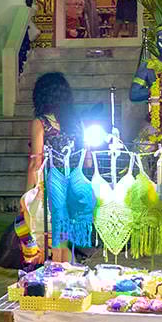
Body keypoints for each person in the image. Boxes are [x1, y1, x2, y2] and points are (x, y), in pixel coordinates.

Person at [27, 72, 92, 262]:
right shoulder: (77, 123)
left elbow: (35, 163)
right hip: (75, 186)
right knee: (66, 237)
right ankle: (69, 277)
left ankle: (57, 280)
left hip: (52, 186)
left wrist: (27, 195)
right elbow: (87, 160)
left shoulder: (41, 123)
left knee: (54, 239)